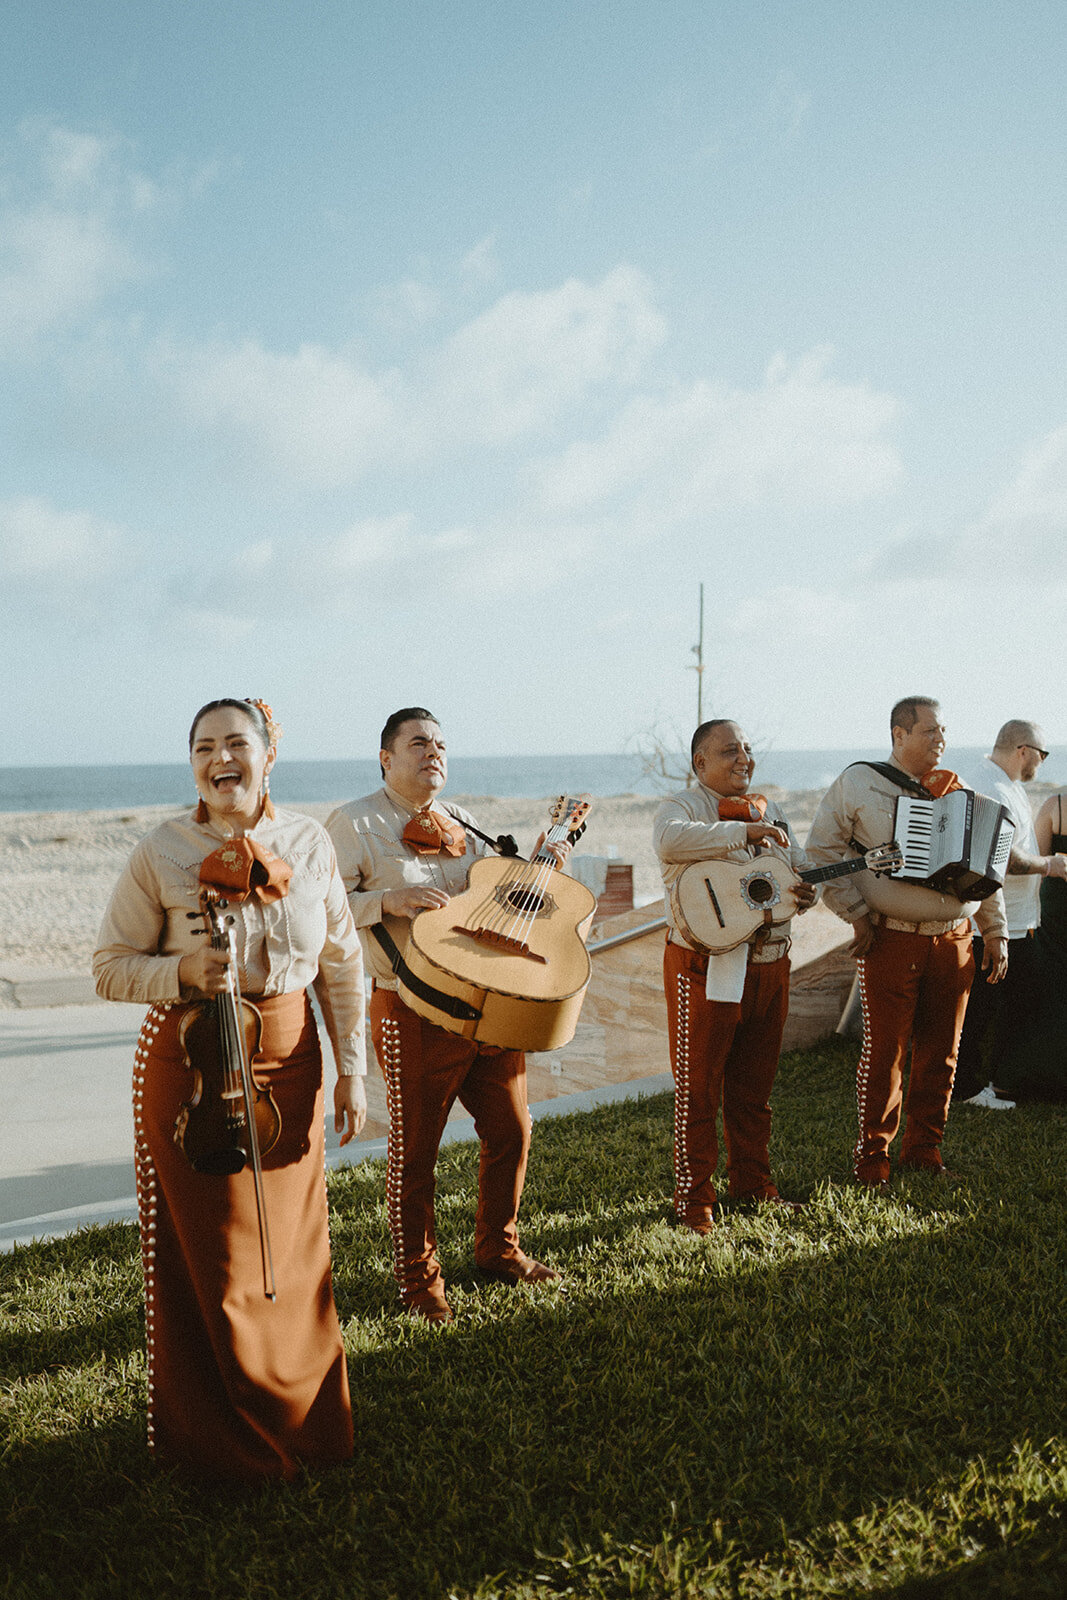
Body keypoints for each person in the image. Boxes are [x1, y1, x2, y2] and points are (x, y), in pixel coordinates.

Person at [93, 698, 367, 1480]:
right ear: (193, 766)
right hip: (192, 1067)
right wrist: (179, 970)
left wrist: (351, 1067)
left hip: (292, 1060)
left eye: (237, 743)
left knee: (295, 1251)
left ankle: (308, 1429)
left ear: (268, 754)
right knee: (216, 1260)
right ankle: (222, 1446)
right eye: (204, 746)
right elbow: (110, 964)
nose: (222, 758)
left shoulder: (308, 843)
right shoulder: (160, 850)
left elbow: (342, 963)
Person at [326, 707, 570, 1324]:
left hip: (487, 1006)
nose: (432, 752)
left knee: (512, 1129)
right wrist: (387, 899)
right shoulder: (352, 823)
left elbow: (492, 904)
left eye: (439, 744)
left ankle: (499, 1249)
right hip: (410, 1007)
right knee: (416, 1152)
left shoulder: (465, 822)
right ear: (386, 758)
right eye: (417, 743)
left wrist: (540, 868)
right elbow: (317, 908)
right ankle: (418, 1282)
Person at [805, 697, 1008, 1189]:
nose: (940, 740)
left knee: (943, 1054)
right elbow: (820, 853)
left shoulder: (958, 790)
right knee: (885, 1055)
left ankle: (924, 1153)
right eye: (929, 731)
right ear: (899, 734)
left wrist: (995, 932)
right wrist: (855, 915)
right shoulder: (859, 781)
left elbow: (983, 869)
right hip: (891, 940)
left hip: (955, 941)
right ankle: (873, 1162)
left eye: (944, 732)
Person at [652, 719, 815, 1235]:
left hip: (770, 965)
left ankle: (753, 1184)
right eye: (729, 752)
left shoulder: (773, 809)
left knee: (753, 1087)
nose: (743, 758)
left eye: (747, 749)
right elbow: (669, 841)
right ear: (700, 764)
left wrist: (804, 889)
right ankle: (694, 1201)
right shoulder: (680, 808)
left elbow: (799, 866)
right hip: (705, 967)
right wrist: (745, 832)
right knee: (698, 1089)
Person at [953, 721, 1063, 1108]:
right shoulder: (991, 786)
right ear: (1023, 749)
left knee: (1010, 1005)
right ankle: (968, 1089)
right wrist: (1050, 865)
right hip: (992, 924)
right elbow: (1002, 858)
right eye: (1042, 754)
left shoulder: (1009, 785)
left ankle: (996, 1082)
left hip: (1018, 922)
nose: (1043, 762)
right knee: (981, 1009)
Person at [995, 782, 1067, 1101]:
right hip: (1056, 911)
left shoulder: (1056, 806)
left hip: (1056, 908)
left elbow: (1037, 862)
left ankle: (1026, 1075)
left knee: (1051, 988)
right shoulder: (1056, 806)